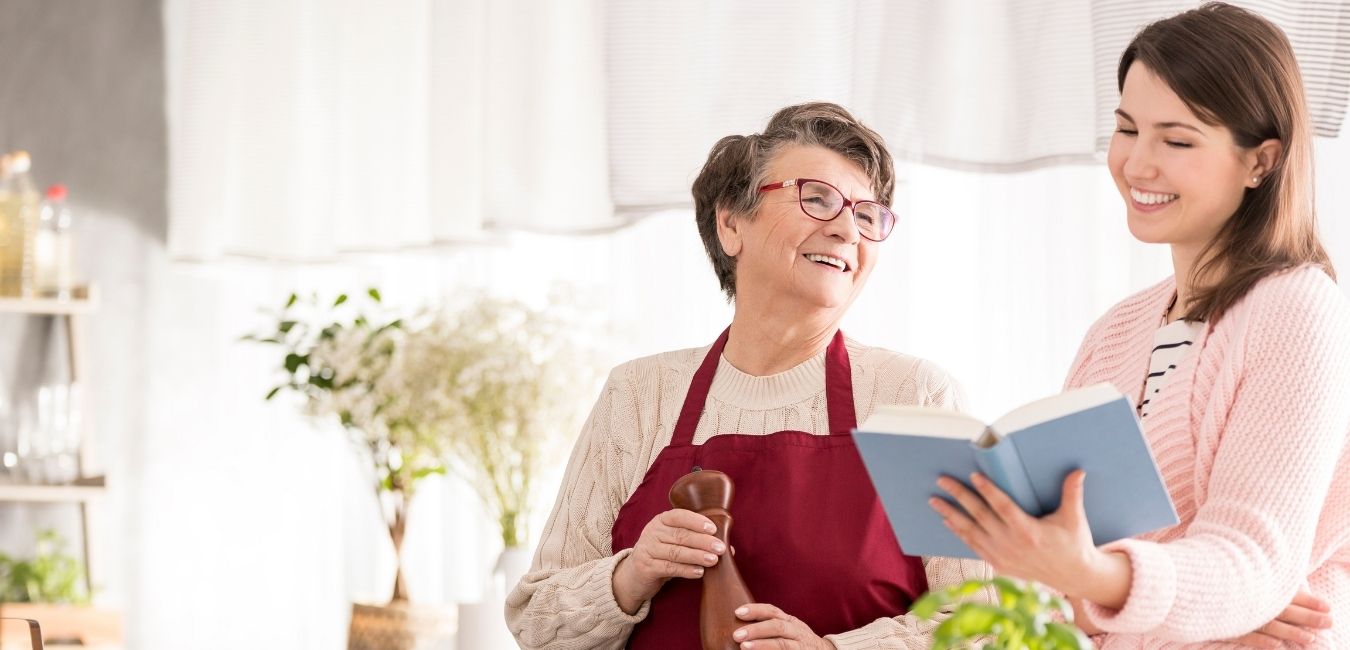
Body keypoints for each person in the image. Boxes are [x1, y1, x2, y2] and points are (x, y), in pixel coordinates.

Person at [930, 3, 1350, 648]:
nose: (1136, 165)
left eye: (1177, 140)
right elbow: (1063, 593)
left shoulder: (1296, 308)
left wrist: (1102, 580)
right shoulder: (1116, 332)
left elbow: (1254, 558)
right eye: (1127, 129)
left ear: (1261, 162)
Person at [505, 102, 993, 649]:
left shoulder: (918, 398)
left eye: (865, 215)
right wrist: (633, 574)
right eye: (818, 198)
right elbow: (537, 623)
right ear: (731, 222)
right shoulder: (639, 395)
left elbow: (984, 622)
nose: (845, 230)